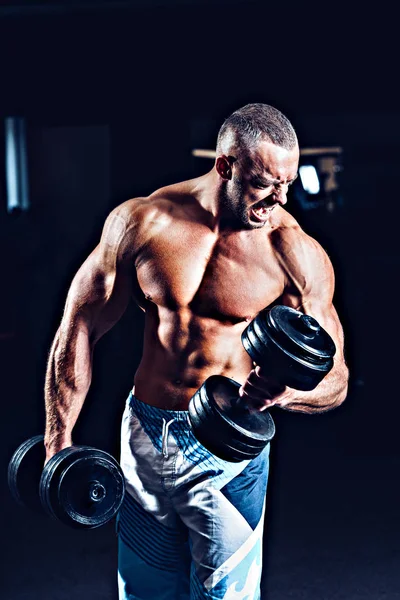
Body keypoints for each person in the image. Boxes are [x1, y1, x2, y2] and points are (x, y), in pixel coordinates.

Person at [44, 103, 348, 600]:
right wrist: (59, 440)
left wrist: (286, 396)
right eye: (263, 183)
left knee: (222, 596)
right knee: (143, 593)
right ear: (225, 165)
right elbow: (79, 325)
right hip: (143, 435)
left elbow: (336, 377)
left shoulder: (294, 254)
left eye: (286, 184)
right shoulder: (142, 223)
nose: (278, 198)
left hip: (227, 454)